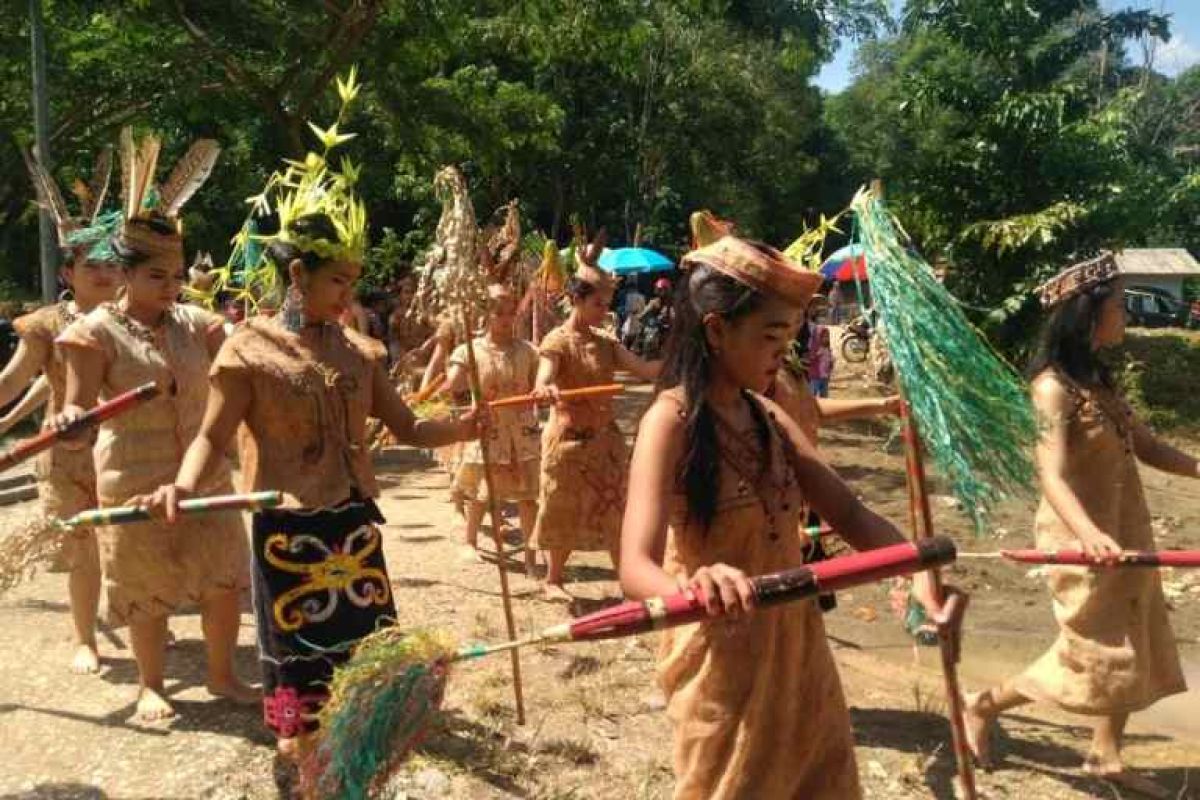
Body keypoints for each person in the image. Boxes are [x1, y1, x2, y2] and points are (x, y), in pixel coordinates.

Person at [138, 134, 483, 754]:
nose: (348, 295)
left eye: (353, 281)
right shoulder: (250, 351)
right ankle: (301, 759)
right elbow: (212, 438)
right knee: (298, 655)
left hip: (353, 522)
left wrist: (465, 425)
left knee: (366, 648)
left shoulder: (358, 353)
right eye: (338, 281)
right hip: (288, 528)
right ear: (297, 274)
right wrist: (181, 487)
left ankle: (365, 741)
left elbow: (409, 429)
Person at [619, 226, 960, 800]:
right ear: (718, 330)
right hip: (722, 663)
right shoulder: (669, 423)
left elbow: (850, 513)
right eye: (773, 335)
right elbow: (634, 568)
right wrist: (697, 585)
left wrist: (922, 579)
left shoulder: (769, 416)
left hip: (801, 657)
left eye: (792, 336)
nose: (786, 351)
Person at [963, 253, 1194, 798]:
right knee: (1093, 653)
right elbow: (1051, 474)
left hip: (1124, 526)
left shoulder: (1098, 379)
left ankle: (1104, 757)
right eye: (1118, 305)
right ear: (1088, 313)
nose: (1126, 316)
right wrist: (1087, 533)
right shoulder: (1052, 389)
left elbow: (1147, 445)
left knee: (1133, 637)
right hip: (1080, 538)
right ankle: (985, 703)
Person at [54, 131, 254, 722]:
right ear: (124, 276)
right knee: (146, 587)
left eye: (177, 277)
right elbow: (79, 412)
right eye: (157, 278)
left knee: (221, 576)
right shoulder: (91, 334)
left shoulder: (197, 323)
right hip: (131, 474)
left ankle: (223, 676)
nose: (171, 288)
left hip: (205, 468)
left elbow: (244, 361)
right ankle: (151, 684)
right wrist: (71, 421)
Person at [0, 149, 124, 674]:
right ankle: (84, 638)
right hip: (69, 452)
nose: (101, 272)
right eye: (89, 264)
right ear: (69, 270)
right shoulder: (48, 324)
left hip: (134, 450)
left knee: (135, 545)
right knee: (83, 550)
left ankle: (139, 622)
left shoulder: (140, 321)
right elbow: (14, 381)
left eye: (111, 263)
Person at [531, 238, 659, 602]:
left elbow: (645, 369)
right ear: (577, 300)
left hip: (607, 443)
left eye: (607, 304)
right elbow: (544, 374)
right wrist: (545, 388)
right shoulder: (557, 340)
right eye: (597, 304)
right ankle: (553, 579)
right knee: (561, 507)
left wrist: (686, 359)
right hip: (568, 442)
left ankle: (629, 581)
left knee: (617, 508)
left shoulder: (606, 342)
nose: (604, 311)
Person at [442, 284, 540, 572]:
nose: (506, 319)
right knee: (484, 493)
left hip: (523, 430)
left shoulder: (528, 351)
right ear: (487, 315)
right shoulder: (470, 350)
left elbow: (539, 383)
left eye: (511, 313)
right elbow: (454, 386)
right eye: (499, 313)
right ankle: (470, 541)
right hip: (490, 427)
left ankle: (531, 555)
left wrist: (544, 391)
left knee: (528, 496)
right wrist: (456, 378)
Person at [807, 324, 833, 398]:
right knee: (812, 395)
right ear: (818, 337)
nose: (826, 339)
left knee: (824, 395)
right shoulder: (814, 348)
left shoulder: (828, 349)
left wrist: (831, 363)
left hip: (825, 376)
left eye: (827, 337)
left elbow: (830, 362)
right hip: (815, 377)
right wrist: (817, 355)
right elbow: (810, 359)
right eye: (823, 337)